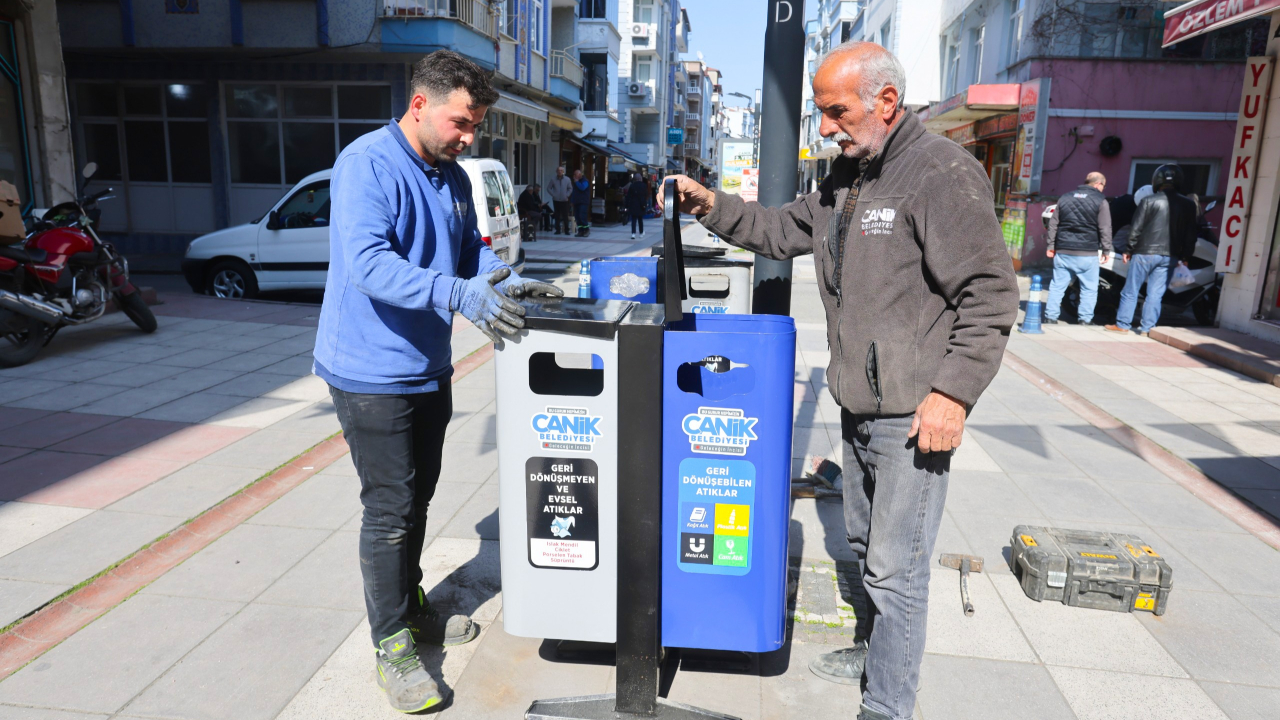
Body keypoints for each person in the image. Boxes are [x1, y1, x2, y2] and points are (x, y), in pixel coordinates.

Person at [659, 42, 1018, 720]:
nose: (825, 127)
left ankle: (886, 705)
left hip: (913, 413)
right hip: (859, 402)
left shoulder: (939, 173)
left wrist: (953, 394)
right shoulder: (847, 177)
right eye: (821, 112)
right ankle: (876, 652)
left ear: (886, 101)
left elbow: (990, 295)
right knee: (863, 546)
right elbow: (779, 230)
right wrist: (708, 204)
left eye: (836, 111)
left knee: (896, 570)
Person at [313, 49, 562, 714]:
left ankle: (409, 602)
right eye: (461, 122)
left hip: (426, 367)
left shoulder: (450, 174)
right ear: (419, 104)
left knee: (418, 498)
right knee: (390, 511)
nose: (469, 137)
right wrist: (458, 294)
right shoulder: (367, 164)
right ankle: (391, 644)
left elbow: (468, 250)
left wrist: (502, 280)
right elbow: (368, 263)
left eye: (476, 125)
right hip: (369, 373)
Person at [1105, 165, 1197, 336]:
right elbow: (1191, 234)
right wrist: (1185, 256)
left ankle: (1123, 325)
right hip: (1170, 255)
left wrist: (1128, 250)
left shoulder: (1148, 201)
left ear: (1156, 181)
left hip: (1144, 253)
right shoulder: (1189, 205)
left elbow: (1136, 228)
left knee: (1131, 290)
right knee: (1155, 294)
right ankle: (1147, 328)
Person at [1043, 172, 1112, 325]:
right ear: (1098, 184)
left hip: (1063, 250)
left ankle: (1050, 317)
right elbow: (1105, 227)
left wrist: (1051, 245)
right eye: (1104, 186)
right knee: (1089, 288)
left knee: (1057, 286)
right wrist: (1106, 250)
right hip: (1087, 252)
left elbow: (1053, 224)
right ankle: (1085, 320)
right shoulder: (1101, 201)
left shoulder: (1065, 198)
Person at [547, 166, 573, 234]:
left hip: (565, 200)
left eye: (561, 170)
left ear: (563, 171)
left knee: (565, 215)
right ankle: (557, 230)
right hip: (556, 200)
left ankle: (566, 230)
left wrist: (567, 195)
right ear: (556, 171)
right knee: (557, 215)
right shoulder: (553, 179)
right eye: (558, 170)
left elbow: (570, 188)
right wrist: (553, 194)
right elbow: (548, 188)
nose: (560, 171)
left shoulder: (567, 179)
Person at [624, 172, 650, 238]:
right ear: (640, 178)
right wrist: (645, 203)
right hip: (641, 205)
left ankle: (633, 233)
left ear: (635, 179)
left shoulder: (632, 186)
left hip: (633, 205)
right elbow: (646, 195)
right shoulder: (644, 185)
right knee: (640, 220)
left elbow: (628, 196)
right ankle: (641, 233)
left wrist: (626, 206)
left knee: (634, 220)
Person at [570, 168, 591, 236]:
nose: (574, 176)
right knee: (577, 217)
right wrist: (572, 201)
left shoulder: (585, 181)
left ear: (579, 174)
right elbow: (574, 192)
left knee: (582, 216)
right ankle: (580, 230)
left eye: (575, 174)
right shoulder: (576, 182)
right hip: (576, 202)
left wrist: (576, 182)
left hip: (583, 202)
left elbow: (582, 188)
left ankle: (586, 230)